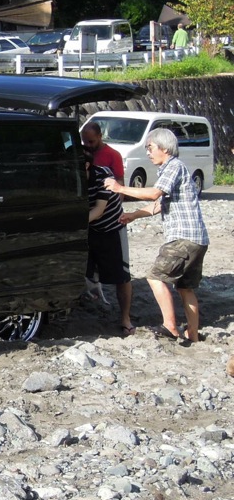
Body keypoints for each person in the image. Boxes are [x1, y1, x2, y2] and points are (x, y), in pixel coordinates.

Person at [105, 128, 208, 343]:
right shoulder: (174, 169)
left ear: (164, 148)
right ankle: (194, 334)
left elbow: (154, 193)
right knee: (185, 287)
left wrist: (119, 187)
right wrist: (133, 215)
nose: (148, 153)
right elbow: (158, 205)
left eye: (150, 148)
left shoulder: (173, 165)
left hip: (182, 237)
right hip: (198, 239)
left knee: (154, 277)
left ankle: (170, 326)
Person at [84, 150, 133, 335]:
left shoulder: (102, 175)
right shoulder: (72, 180)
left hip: (113, 229)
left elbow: (98, 210)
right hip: (91, 230)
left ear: (87, 165)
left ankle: (125, 319)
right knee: (87, 272)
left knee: (122, 277)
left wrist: (72, 224)